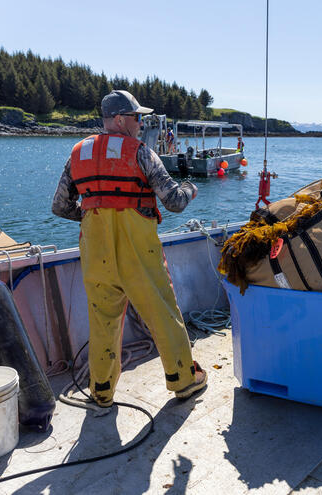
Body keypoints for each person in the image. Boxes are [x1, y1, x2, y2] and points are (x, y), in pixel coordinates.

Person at [51, 90, 207, 406]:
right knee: (162, 313)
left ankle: (102, 392)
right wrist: (191, 189)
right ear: (121, 120)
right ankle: (184, 381)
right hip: (139, 253)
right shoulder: (141, 153)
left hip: (96, 254)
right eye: (137, 118)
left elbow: (59, 206)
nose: (140, 124)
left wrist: (91, 213)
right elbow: (174, 202)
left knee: (103, 320)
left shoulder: (77, 154)